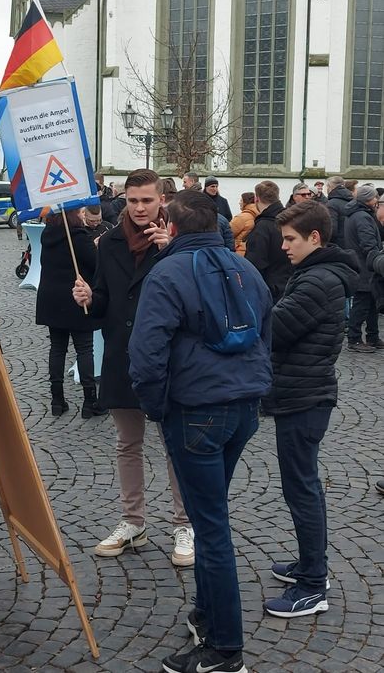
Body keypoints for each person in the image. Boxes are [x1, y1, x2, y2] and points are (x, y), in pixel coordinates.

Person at [128, 190, 273, 673]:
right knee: (208, 512)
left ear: (170, 220)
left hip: (196, 411)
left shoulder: (167, 272)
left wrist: (156, 407)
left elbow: (146, 352)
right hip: (243, 407)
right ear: (218, 223)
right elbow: (265, 331)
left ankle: (225, 650)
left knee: (210, 529)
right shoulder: (246, 269)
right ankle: (207, 615)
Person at [73, 169, 194, 567]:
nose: (139, 208)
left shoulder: (179, 241)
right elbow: (105, 298)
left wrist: (171, 250)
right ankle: (133, 522)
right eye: (132, 200)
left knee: (174, 445)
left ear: (162, 200)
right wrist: (89, 296)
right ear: (123, 200)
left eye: (147, 200)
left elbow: (195, 302)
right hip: (122, 354)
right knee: (128, 443)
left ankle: (184, 524)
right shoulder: (107, 242)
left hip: (167, 358)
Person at [263, 201, 358, 618]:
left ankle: (313, 585)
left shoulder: (317, 280)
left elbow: (274, 330)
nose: (284, 246)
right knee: (305, 487)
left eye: (290, 239)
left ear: (314, 239)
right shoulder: (316, 274)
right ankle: (310, 565)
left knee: (301, 490)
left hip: (304, 397)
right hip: (303, 393)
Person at [36, 209, 106, 418]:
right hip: (75, 297)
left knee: (57, 348)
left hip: (51, 297)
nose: (84, 214)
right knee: (85, 349)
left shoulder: (47, 234)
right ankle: (89, 401)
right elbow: (95, 265)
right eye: (81, 211)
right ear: (73, 215)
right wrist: (95, 247)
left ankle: (57, 400)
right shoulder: (78, 236)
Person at [345, 185, 383, 352]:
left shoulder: (357, 214)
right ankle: (354, 338)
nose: (377, 201)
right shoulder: (362, 217)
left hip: (362, 264)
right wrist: (377, 258)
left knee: (372, 303)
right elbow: (368, 244)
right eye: (375, 198)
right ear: (368, 199)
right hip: (365, 266)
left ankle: (373, 336)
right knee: (362, 303)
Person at [245, 180, 293, 303]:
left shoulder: (262, 227)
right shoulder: (292, 221)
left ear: (256, 199)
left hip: (270, 291)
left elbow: (255, 264)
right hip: (292, 286)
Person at [326, 175, 353, 247]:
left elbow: (332, 230)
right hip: (352, 243)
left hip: (338, 245)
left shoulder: (331, 204)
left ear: (330, 187)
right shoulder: (353, 200)